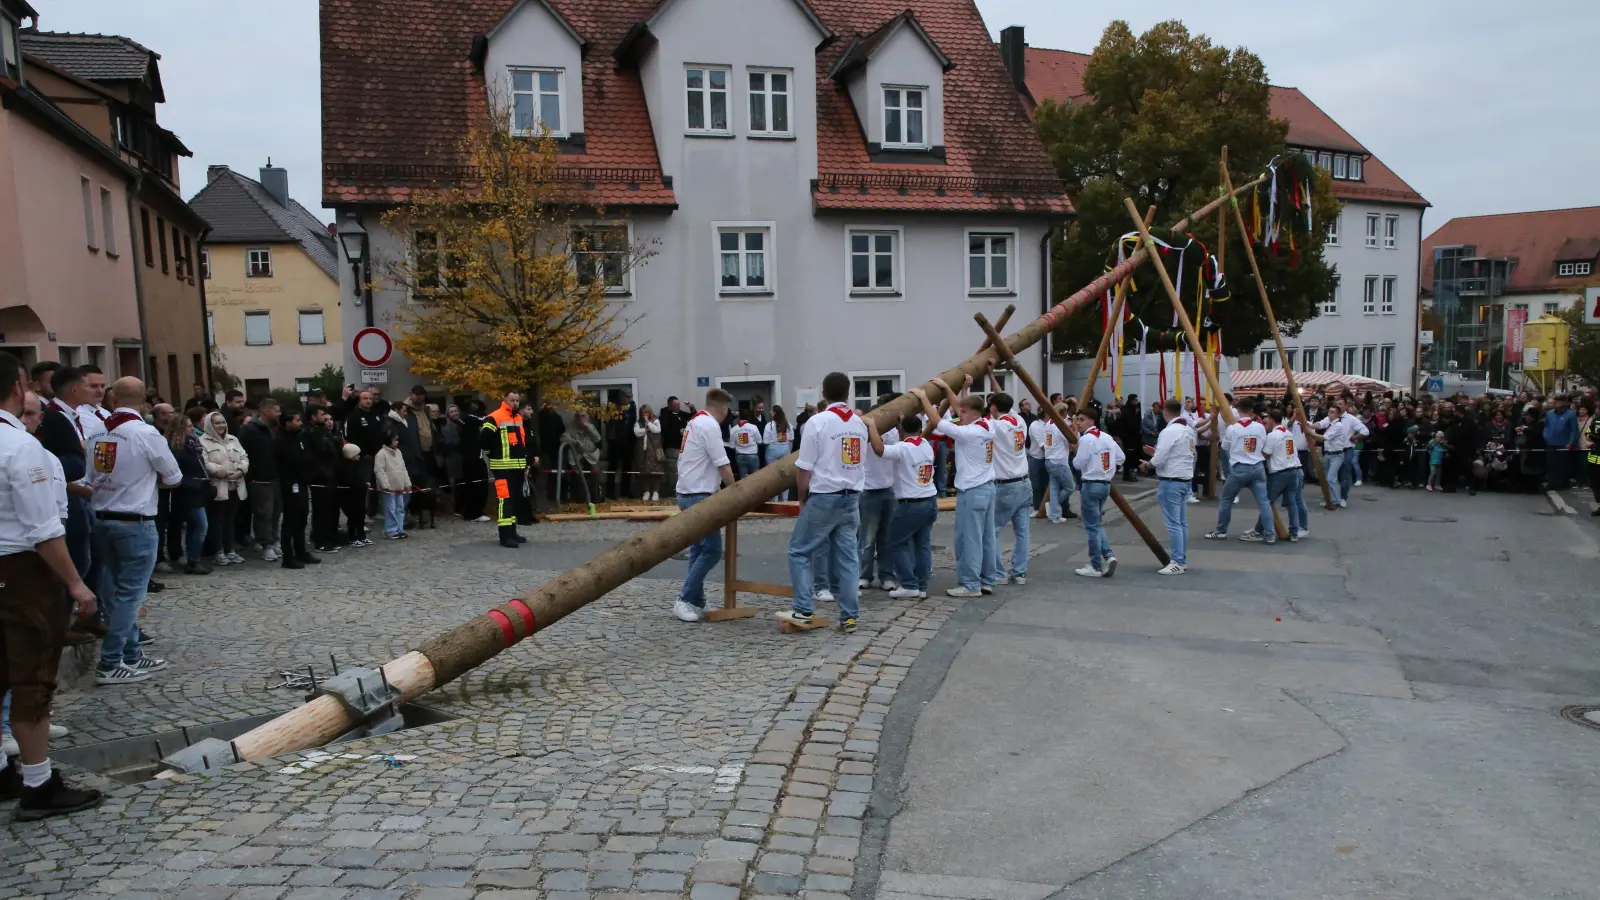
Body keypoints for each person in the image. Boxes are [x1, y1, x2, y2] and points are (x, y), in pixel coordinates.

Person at [0, 354, 104, 820]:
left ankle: (3, 772)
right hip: (22, 571)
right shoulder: (20, 448)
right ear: (19, 386)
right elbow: (43, 530)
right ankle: (39, 784)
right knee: (32, 679)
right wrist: (77, 585)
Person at [86, 377, 181, 686]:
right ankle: (111, 660)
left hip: (102, 518)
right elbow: (173, 476)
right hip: (134, 521)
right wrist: (146, 481)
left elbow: (92, 477)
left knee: (115, 591)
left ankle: (130, 652)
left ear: (114, 399)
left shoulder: (98, 432)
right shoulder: (144, 432)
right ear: (144, 403)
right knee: (130, 595)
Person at [789, 373, 868, 632]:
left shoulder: (818, 422)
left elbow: (804, 467)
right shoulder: (859, 424)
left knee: (799, 550)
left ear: (824, 393)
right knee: (848, 559)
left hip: (825, 495)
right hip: (852, 497)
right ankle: (849, 617)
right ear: (848, 393)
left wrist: (802, 498)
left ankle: (803, 610)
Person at [924, 376, 999, 598]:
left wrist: (922, 398)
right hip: (987, 488)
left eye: (963, 413)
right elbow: (961, 407)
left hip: (972, 491)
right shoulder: (987, 425)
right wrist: (951, 387)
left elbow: (937, 422)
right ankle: (987, 580)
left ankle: (970, 584)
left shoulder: (969, 432)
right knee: (986, 537)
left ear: (974, 414)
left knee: (969, 538)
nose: (959, 415)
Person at [674, 388, 735, 622]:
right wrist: (736, 490)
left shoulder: (695, 421)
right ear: (722, 408)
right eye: (726, 411)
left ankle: (696, 601)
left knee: (699, 550)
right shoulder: (710, 426)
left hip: (687, 491)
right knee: (711, 551)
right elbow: (723, 464)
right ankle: (684, 599)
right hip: (699, 494)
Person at [871, 413, 936, 600]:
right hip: (929, 500)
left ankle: (909, 584)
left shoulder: (903, 448)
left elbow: (879, 449)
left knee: (896, 543)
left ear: (900, 430)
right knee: (922, 545)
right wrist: (902, 423)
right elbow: (924, 431)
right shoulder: (925, 445)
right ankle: (921, 586)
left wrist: (871, 425)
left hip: (911, 503)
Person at [1205, 404, 1275, 544]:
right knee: (1264, 503)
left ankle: (1220, 531)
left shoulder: (1233, 428)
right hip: (1257, 467)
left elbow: (1224, 447)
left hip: (1239, 468)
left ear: (1238, 412)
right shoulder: (1259, 427)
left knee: (1226, 500)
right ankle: (1269, 534)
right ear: (1252, 413)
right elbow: (1263, 443)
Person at [1141, 398, 1195, 574]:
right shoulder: (1188, 430)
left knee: (1174, 524)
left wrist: (1148, 464)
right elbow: (1186, 454)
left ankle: (1177, 561)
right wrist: (1156, 454)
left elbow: (1159, 459)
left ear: (1165, 412)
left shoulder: (1169, 431)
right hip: (1184, 478)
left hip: (1171, 479)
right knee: (1181, 523)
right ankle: (1182, 559)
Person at [855, 393, 899, 592]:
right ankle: (864, 575)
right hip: (868, 491)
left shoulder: (893, 434)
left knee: (887, 538)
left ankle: (886, 575)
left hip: (889, 490)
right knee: (867, 539)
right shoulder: (862, 434)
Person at [1070, 408, 1121, 577]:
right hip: (1105, 483)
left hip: (1091, 484)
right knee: (1096, 523)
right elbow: (1120, 458)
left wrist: (1076, 452)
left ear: (1091, 421)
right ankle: (1108, 555)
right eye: (1078, 420)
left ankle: (1096, 565)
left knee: (1092, 526)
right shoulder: (1107, 437)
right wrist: (1108, 468)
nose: (1078, 423)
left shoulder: (1087, 439)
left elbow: (1078, 463)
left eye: (1082, 420)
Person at [987, 392, 1031, 586]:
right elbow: (1005, 403)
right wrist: (991, 377)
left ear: (994, 407)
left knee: (993, 530)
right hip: (1024, 482)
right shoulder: (1020, 421)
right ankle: (1020, 572)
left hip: (1006, 484)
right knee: (1022, 531)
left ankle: (998, 572)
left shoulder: (996, 426)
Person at [482, 390, 534, 548]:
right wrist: (492, 455)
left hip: (517, 467)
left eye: (517, 401)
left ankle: (512, 532)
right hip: (502, 467)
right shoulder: (494, 417)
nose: (515, 403)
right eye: (512, 400)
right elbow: (483, 440)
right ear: (504, 399)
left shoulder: (518, 418)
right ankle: (505, 536)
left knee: (515, 501)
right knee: (505, 501)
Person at [199, 411, 248, 566]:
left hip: (236, 485)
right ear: (209, 425)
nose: (221, 425)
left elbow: (244, 457)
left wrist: (240, 470)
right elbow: (205, 463)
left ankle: (229, 549)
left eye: (223, 422)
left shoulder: (233, 439)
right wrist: (223, 472)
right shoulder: (202, 441)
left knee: (230, 520)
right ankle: (218, 551)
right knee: (217, 520)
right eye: (217, 423)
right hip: (217, 486)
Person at [166, 408, 211, 574]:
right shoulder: (175, 449)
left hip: (199, 491)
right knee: (200, 525)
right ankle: (193, 559)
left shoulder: (194, 444)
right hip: (186, 492)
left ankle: (193, 558)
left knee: (195, 526)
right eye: (189, 427)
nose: (192, 429)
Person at [237, 397, 281, 560]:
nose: (279, 414)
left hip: (275, 476)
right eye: (276, 410)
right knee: (263, 513)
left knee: (275, 512)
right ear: (265, 411)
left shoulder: (274, 428)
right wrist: (251, 476)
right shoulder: (249, 429)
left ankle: (274, 539)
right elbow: (243, 453)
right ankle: (265, 544)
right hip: (260, 479)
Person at [275, 411, 320, 569]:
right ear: (287, 423)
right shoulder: (280, 440)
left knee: (302, 518)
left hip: (302, 483)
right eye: (297, 420)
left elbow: (307, 455)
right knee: (290, 521)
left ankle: (301, 551)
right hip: (289, 484)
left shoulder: (300, 438)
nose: (300, 423)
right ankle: (288, 556)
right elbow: (292, 460)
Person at [1260, 409, 1303, 542]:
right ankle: (1294, 532)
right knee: (1292, 503)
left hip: (1279, 472)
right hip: (1293, 470)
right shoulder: (1288, 433)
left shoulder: (1273, 435)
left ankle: (1263, 530)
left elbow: (1266, 454)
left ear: (1272, 419)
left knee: (1267, 501)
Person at [305, 406, 343, 553]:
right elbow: (324, 450)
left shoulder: (324, 433)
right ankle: (321, 540)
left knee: (330, 509)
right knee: (321, 510)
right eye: (323, 416)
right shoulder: (312, 433)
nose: (327, 420)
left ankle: (329, 537)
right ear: (314, 417)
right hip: (320, 476)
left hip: (329, 474)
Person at [1317, 402, 1368, 508]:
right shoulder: (1331, 417)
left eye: (1341, 404)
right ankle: (1330, 498)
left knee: (1344, 475)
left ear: (1345, 407)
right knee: (1330, 476)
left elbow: (1365, 431)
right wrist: (1309, 425)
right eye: (1337, 404)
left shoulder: (1351, 419)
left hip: (1346, 450)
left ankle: (1343, 497)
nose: (1338, 405)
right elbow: (1320, 424)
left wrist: (1354, 437)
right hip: (1331, 450)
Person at [561, 410, 604, 514]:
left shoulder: (591, 427)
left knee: (595, 473)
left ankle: (595, 497)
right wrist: (575, 442)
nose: (581, 419)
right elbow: (563, 438)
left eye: (583, 416)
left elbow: (598, 439)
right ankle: (579, 498)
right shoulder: (571, 427)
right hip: (577, 455)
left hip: (591, 454)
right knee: (577, 474)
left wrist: (587, 426)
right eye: (578, 416)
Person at [1042, 406, 1077, 522]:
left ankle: (1055, 515)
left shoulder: (1048, 424)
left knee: (1054, 487)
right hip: (1059, 460)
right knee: (1070, 487)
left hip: (1049, 459)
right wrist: (1074, 428)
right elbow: (1071, 439)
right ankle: (1053, 506)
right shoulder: (1059, 426)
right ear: (1063, 412)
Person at [375, 430, 411, 539]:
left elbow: (403, 468)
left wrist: (407, 483)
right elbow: (379, 471)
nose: (397, 442)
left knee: (400, 508)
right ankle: (391, 530)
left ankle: (399, 529)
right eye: (395, 440)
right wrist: (385, 486)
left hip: (399, 486)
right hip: (389, 488)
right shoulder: (381, 454)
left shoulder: (398, 452)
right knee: (390, 509)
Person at [337, 442, 371, 546]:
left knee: (360, 517)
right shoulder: (347, 468)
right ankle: (352, 538)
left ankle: (361, 536)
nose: (359, 456)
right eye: (357, 455)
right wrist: (363, 485)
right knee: (353, 518)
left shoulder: (357, 466)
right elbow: (352, 482)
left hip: (359, 496)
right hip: (351, 497)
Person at [1542, 393, 1578, 491]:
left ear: (1564, 402)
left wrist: (1570, 442)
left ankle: (1562, 483)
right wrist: (1545, 436)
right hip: (1550, 443)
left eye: (1558, 401)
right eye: (1555, 401)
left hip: (1563, 443)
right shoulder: (1550, 413)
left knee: (1562, 464)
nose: (1555, 403)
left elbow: (1573, 430)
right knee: (1551, 463)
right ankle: (1552, 482)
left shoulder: (1570, 414)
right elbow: (1546, 426)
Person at [659, 396, 692, 499]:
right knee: (673, 472)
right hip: (671, 448)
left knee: (684, 471)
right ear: (670, 405)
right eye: (676, 404)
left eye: (679, 404)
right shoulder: (665, 416)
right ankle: (673, 492)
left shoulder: (682, 414)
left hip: (683, 448)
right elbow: (664, 431)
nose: (679, 406)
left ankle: (683, 492)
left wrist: (692, 407)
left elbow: (694, 416)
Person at [633, 405, 665, 502]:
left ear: (650, 412)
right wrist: (646, 430)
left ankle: (656, 492)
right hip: (643, 450)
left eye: (646, 412)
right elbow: (636, 432)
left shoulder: (655, 420)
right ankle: (646, 491)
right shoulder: (638, 422)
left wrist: (648, 423)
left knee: (656, 472)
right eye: (643, 413)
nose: (644, 415)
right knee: (644, 472)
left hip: (654, 451)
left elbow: (657, 430)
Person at [763, 407, 793, 500]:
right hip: (785, 448)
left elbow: (765, 441)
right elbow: (791, 439)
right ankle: (785, 499)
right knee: (785, 476)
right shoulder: (788, 425)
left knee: (773, 476)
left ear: (774, 412)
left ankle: (774, 500)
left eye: (771, 411)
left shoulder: (770, 425)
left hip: (772, 449)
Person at [1026, 411, 1049, 515]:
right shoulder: (1035, 425)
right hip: (1036, 458)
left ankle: (1045, 508)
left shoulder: (1050, 425)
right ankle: (1037, 508)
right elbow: (1042, 444)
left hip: (1047, 458)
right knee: (1036, 485)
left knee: (1046, 484)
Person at [730, 415, 761, 480]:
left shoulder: (733, 429)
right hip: (753, 454)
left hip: (740, 456)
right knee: (756, 478)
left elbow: (732, 446)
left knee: (743, 479)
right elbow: (760, 441)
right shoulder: (753, 427)